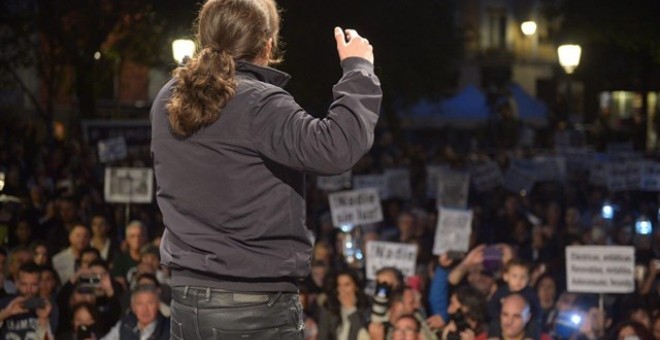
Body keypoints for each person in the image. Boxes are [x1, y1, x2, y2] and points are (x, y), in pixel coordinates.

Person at [150, 0, 380, 337]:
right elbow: (336, 147)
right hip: (255, 307)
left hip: (188, 302)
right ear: (268, 44)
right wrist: (358, 69)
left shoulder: (168, 99)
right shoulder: (260, 103)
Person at [0, 262, 55, 339]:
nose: (28, 290)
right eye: (24, 284)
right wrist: (6, 313)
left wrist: (43, 320)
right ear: (17, 283)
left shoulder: (47, 307)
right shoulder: (4, 303)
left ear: (39, 284)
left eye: (33, 285)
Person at [102, 284, 169, 340]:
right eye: (139, 304)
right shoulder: (126, 324)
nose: (145, 309)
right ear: (133, 307)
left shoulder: (170, 329)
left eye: (150, 303)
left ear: (158, 305)